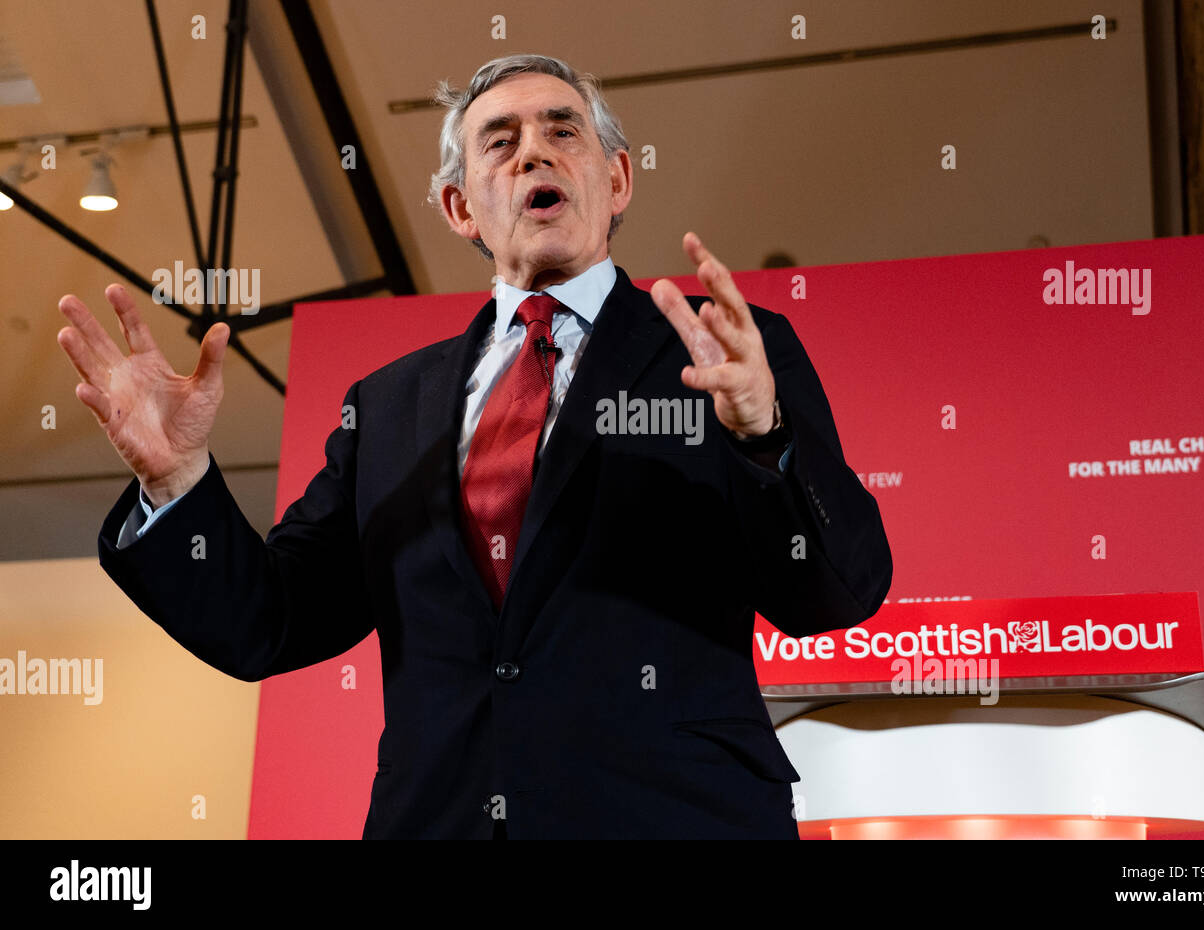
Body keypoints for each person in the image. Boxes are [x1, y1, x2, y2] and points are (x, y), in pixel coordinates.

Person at [55, 54, 891, 839]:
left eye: (563, 132)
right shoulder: (386, 407)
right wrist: (177, 482)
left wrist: (764, 434)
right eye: (501, 142)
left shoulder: (726, 356)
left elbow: (835, 594)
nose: (535, 154)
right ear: (460, 209)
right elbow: (269, 623)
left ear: (618, 178)